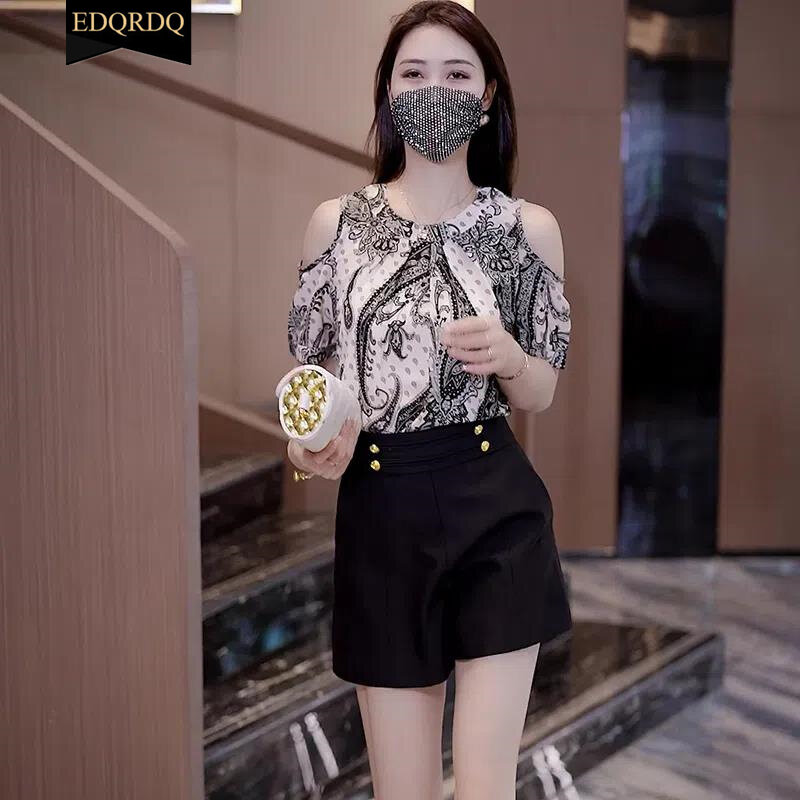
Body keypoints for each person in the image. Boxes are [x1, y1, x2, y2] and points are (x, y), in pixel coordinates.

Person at [285, 2, 572, 798]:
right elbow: (311, 392)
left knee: (484, 784)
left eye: (456, 73)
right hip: (381, 509)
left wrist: (508, 356)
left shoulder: (527, 229)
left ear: (487, 95)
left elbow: (540, 391)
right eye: (413, 73)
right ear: (387, 91)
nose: (433, 89)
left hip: (495, 504)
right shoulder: (336, 226)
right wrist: (310, 448)